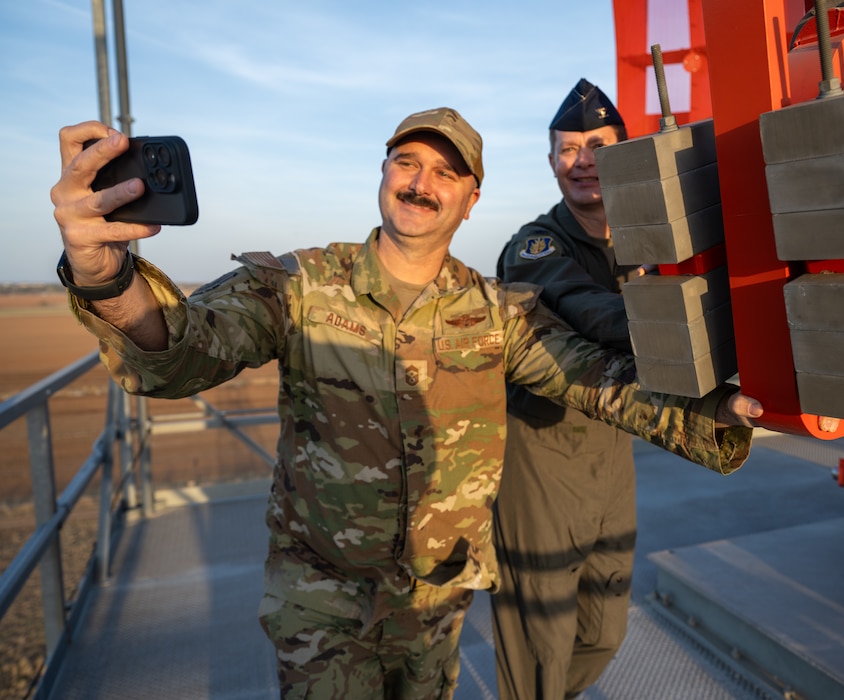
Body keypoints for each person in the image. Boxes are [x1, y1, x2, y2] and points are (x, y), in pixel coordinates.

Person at [50, 107, 763, 700]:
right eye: (408, 163)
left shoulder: (497, 313)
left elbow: (597, 382)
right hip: (322, 599)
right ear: (384, 174)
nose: (423, 183)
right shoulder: (300, 285)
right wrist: (106, 275)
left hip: (435, 601)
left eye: (447, 172)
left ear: (471, 198)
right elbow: (182, 350)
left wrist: (720, 413)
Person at [490, 78, 642, 699]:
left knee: (603, 631)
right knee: (538, 647)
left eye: (598, 146)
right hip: (539, 462)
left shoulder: (649, 239)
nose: (583, 162)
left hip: (612, 453)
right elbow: (585, 308)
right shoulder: (534, 247)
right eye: (568, 149)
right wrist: (676, 323)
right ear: (551, 161)